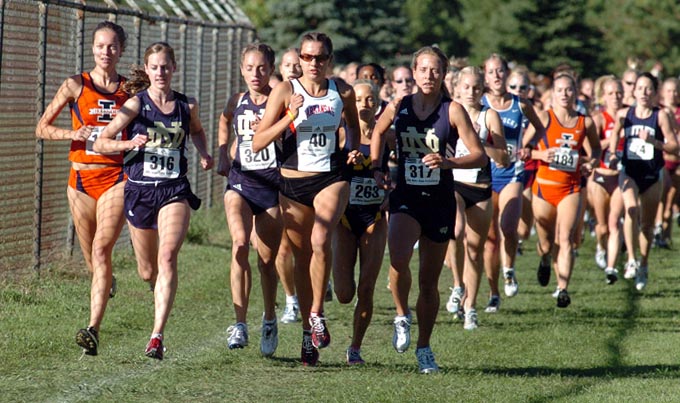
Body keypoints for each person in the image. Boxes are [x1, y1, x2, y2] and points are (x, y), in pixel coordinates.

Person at [93, 42, 214, 359]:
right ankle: (155, 289)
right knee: (148, 271)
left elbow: (198, 131)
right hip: (140, 190)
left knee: (168, 256)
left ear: (175, 68)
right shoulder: (135, 105)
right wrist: (129, 143)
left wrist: (203, 152)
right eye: (155, 67)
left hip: (174, 189)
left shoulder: (187, 106)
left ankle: (157, 335)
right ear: (147, 70)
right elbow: (102, 142)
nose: (161, 72)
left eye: (166, 66)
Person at [371, 46, 487, 374]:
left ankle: (424, 347)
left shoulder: (453, 112)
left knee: (429, 282)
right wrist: (377, 169)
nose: (428, 76)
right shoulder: (400, 105)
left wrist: (448, 161)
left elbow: (479, 155)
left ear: (444, 74)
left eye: (435, 70)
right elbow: (379, 131)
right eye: (422, 69)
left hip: (439, 201)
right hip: (406, 196)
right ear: (414, 72)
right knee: (397, 258)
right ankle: (400, 315)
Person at [252, 32, 362, 366]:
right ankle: (306, 334)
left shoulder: (342, 91)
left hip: (332, 177)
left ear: (330, 60)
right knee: (301, 258)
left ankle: (316, 314)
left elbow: (353, 128)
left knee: (321, 236)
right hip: (293, 183)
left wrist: (353, 148)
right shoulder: (286, 91)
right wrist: (290, 116)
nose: (313, 63)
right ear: (299, 59)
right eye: (307, 57)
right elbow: (259, 142)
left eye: (320, 57)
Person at [36, 21, 130, 357]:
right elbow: (42, 128)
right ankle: (104, 283)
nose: (106, 52)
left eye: (112, 46)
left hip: (115, 178)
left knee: (103, 251)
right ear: (92, 48)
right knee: (92, 260)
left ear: (121, 49)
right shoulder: (76, 85)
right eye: (100, 46)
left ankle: (92, 329)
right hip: (80, 182)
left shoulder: (129, 91)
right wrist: (71, 134)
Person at [216, 43, 282, 356]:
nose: (255, 74)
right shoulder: (238, 100)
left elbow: (295, 132)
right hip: (240, 182)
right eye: (249, 68)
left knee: (267, 263)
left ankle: (269, 317)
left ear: (270, 69)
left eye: (262, 68)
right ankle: (239, 323)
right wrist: (222, 153)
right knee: (240, 243)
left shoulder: (279, 99)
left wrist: (271, 129)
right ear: (241, 70)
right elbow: (224, 119)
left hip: (272, 188)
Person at [530, 73, 601, 307]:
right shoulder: (543, 118)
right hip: (543, 188)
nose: (564, 94)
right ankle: (544, 258)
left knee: (566, 238)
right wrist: (541, 154)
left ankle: (563, 289)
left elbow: (596, 153)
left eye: (568, 90)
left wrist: (590, 164)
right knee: (547, 242)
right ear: (552, 94)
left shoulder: (585, 122)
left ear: (575, 92)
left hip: (570, 189)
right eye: (559, 90)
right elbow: (522, 149)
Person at [445, 66, 507, 330]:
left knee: (475, 250)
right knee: (456, 231)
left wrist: (480, 147)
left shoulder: (489, 115)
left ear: (483, 90)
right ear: (456, 88)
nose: (471, 92)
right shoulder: (448, 112)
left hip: (481, 187)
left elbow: (504, 158)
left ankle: (470, 307)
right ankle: (458, 285)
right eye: (466, 87)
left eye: (476, 87)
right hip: (454, 183)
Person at [481, 54, 544, 312]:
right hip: (485, 175)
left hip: (512, 173)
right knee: (490, 239)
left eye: (500, 71)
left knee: (508, 226)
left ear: (507, 75)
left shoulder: (520, 104)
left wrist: (527, 145)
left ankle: (509, 268)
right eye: (491, 72)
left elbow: (539, 128)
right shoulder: (480, 103)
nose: (496, 76)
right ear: (485, 76)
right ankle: (493, 292)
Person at [332, 79, 388, 365]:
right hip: (344, 217)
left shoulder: (385, 136)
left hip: (374, 217)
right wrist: (344, 161)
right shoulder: (341, 134)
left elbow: (399, 170)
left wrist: (391, 189)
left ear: (377, 104)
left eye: (370, 100)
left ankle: (355, 348)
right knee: (344, 294)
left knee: (367, 286)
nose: (364, 105)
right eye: (358, 100)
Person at [608, 73, 678, 291]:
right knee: (630, 210)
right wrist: (612, 154)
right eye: (640, 88)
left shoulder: (661, 116)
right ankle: (630, 258)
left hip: (652, 174)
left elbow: (674, 147)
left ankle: (644, 264)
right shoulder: (624, 114)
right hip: (629, 172)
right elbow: (615, 134)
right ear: (634, 91)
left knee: (646, 225)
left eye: (649, 89)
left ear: (655, 93)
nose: (644, 93)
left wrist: (655, 142)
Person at [276, 47, 303, 324]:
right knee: (284, 245)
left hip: (310, 177)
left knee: (312, 242)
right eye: (288, 65)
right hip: (277, 176)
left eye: (298, 64)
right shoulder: (274, 98)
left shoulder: (318, 96)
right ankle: (290, 300)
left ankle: (321, 279)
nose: (294, 69)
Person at [589, 78, 624, 283]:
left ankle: (611, 268)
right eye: (611, 93)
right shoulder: (599, 119)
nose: (615, 97)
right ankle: (601, 247)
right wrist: (612, 140)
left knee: (614, 223)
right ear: (603, 96)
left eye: (618, 93)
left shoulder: (629, 115)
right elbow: (590, 148)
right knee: (602, 226)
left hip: (622, 176)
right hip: (601, 176)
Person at [653, 78, 680, 248]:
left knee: (671, 198)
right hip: (661, 161)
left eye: (675, 90)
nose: (672, 94)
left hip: (677, 162)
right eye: (668, 90)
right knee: (661, 197)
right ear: (662, 92)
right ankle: (657, 229)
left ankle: (665, 235)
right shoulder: (658, 112)